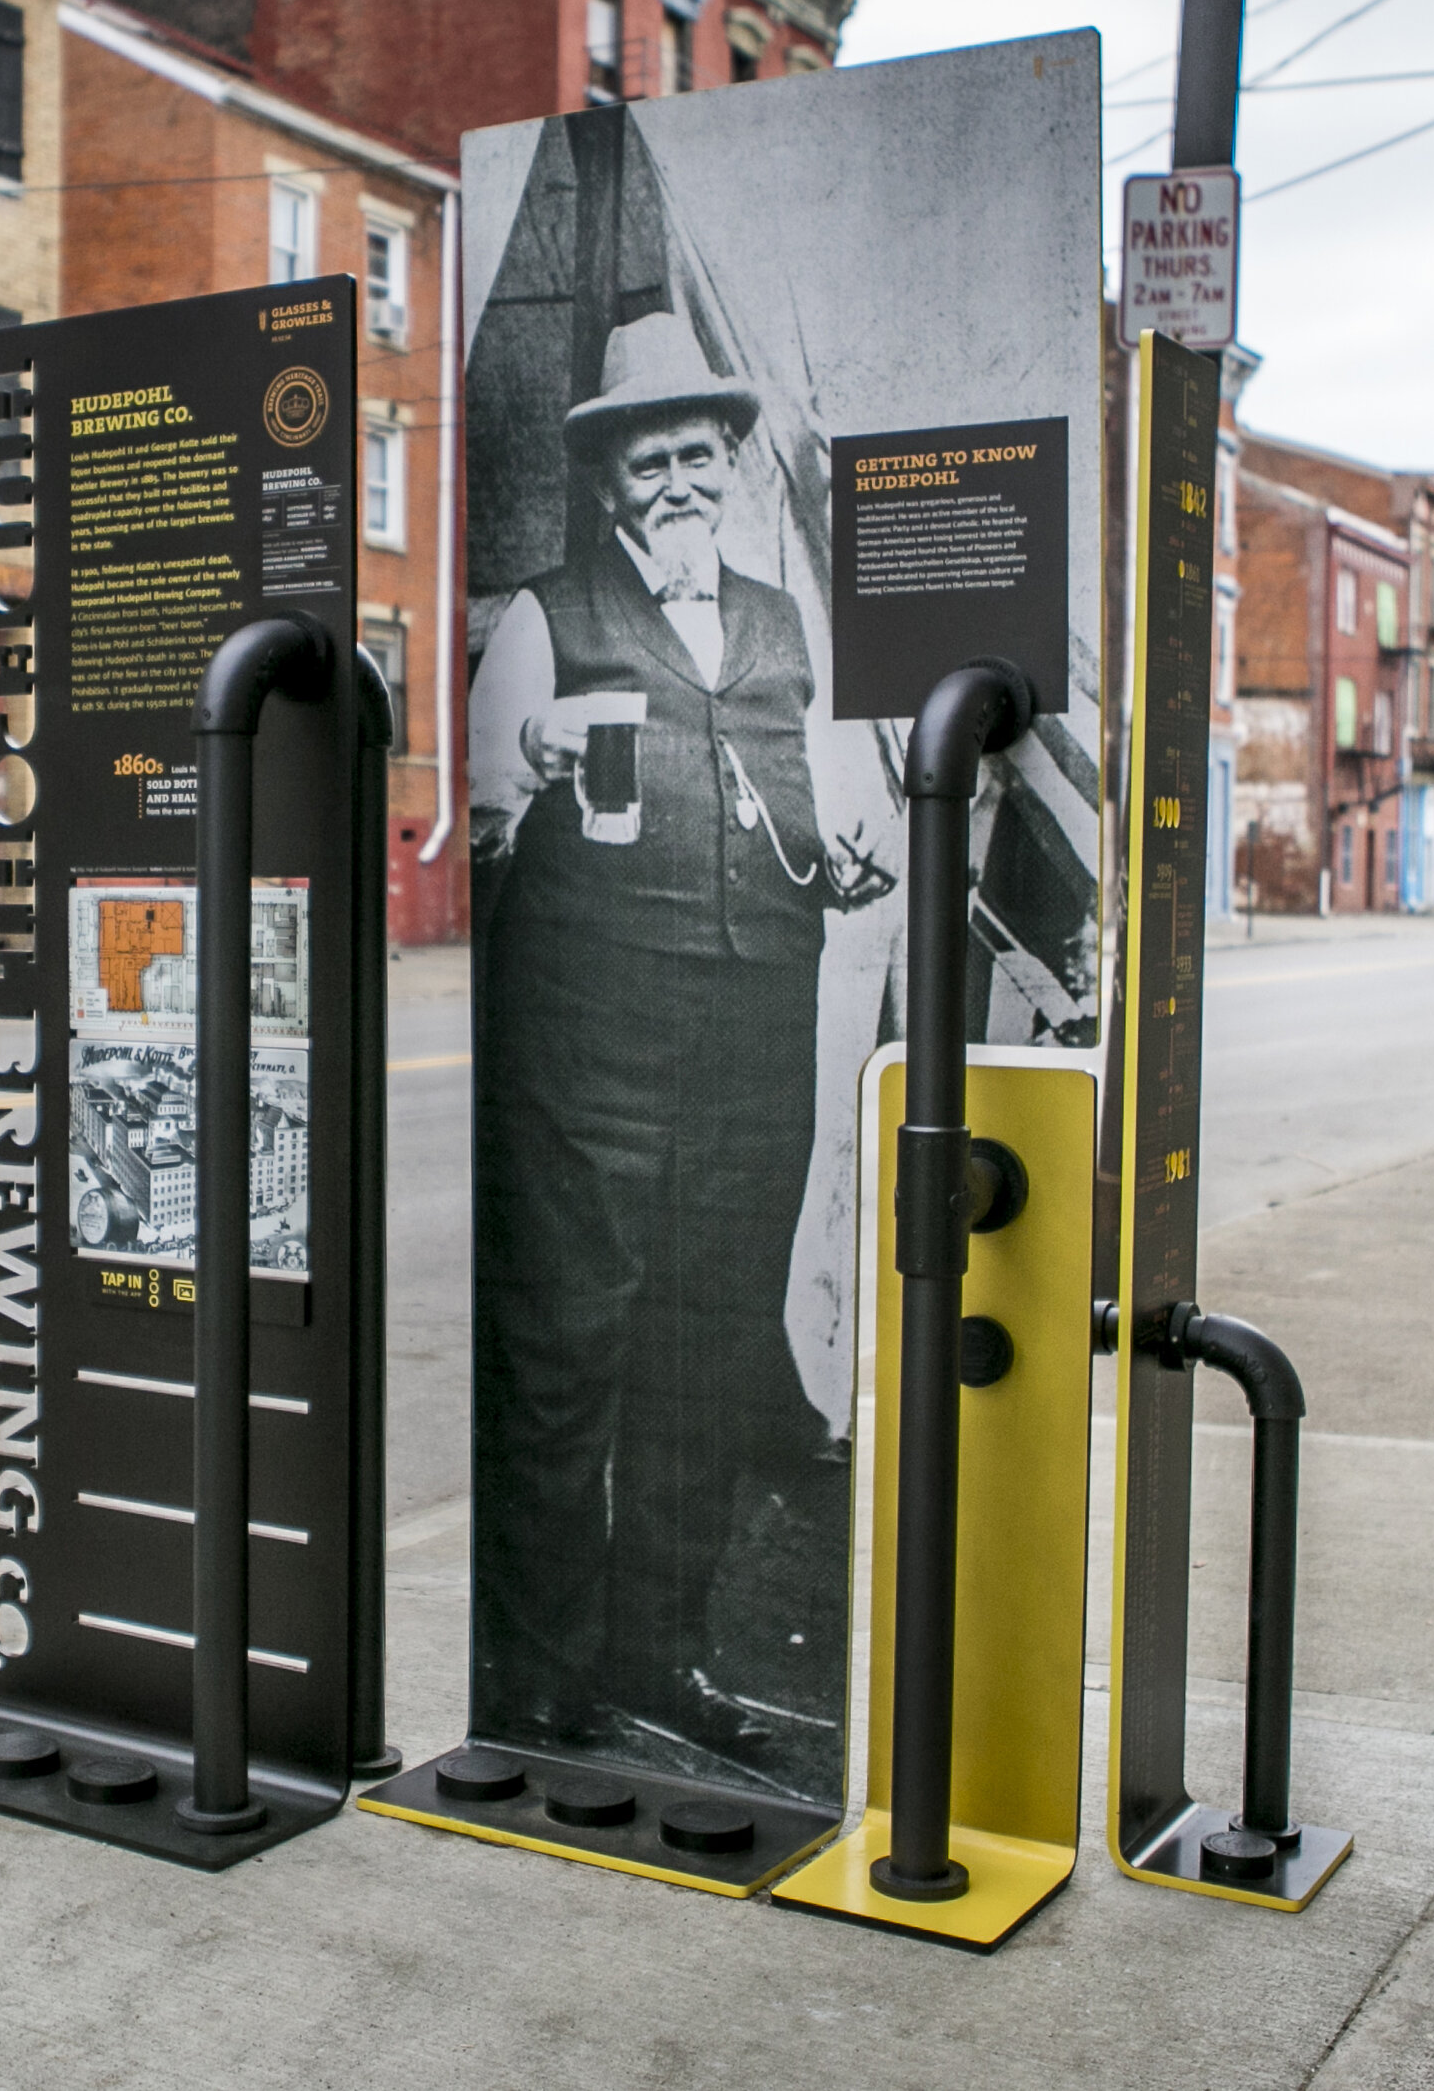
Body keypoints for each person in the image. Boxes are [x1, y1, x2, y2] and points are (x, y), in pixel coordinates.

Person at [468, 308, 842, 1775]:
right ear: (610, 481)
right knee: (567, 1350)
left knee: (707, 1351)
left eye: (700, 454)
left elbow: (824, 805)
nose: (680, 482)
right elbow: (482, 831)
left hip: (757, 1034)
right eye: (650, 461)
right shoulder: (543, 618)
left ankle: (661, 1651)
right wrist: (530, 764)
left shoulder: (780, 622)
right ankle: (542, 1668)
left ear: (731, 465)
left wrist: (850, 854)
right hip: (592, 1041)